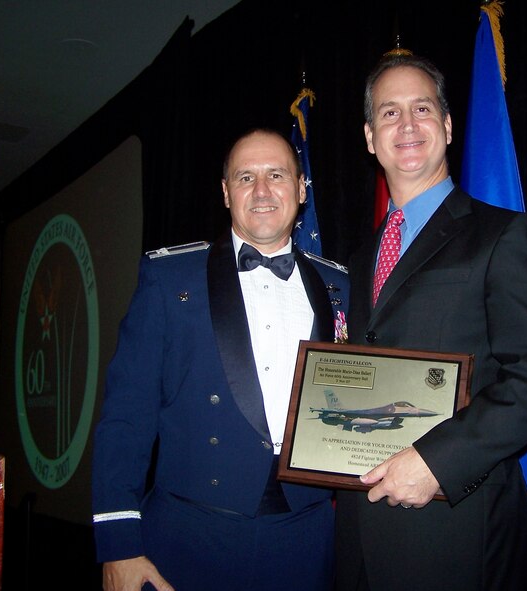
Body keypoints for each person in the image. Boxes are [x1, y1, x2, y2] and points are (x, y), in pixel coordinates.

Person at [334, 53, 527, 590]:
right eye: (389, 113)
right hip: (361, 537)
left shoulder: (503, 235)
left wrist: (437, 462)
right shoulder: (360, 259)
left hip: (460, 533)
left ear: (447, 125)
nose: (407, 124)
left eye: (422, 108)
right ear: (370, 138)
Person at [91, 128, 349, 591]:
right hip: (189, 537)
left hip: (305, 539)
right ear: (226, 192)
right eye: (246, 177)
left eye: (277, 175)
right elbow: (126, 417)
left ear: (301, 188)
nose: (262, 190)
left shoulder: (340, 286)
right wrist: (118, 544)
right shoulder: (170, 279)